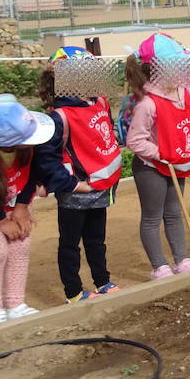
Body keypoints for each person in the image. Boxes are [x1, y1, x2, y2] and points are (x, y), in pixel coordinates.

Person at [36, 48, 123, 302]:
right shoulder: (59, 117)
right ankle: (73, 292)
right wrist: (73, 185)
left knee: (97, 239)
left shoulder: (101, 103)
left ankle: (103, 281)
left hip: (99, 188)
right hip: (76, 193)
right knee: (70, 244)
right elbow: (47, 159)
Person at [125, 34, 190, 278]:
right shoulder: (148, 104)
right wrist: (163, 154)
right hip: (151, 168)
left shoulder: (183, 94)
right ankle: (159, 265)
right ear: (158, 70)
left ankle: (182, 260)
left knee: (175, 212)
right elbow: (135, 141)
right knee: (152, 216)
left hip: (176, 164)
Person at [0, 96, 68, 323]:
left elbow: (33, 173)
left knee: (20, 245)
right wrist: (1, 221)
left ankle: (15, 303)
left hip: (15, 206)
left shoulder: (27, 149)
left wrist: (22, 207)